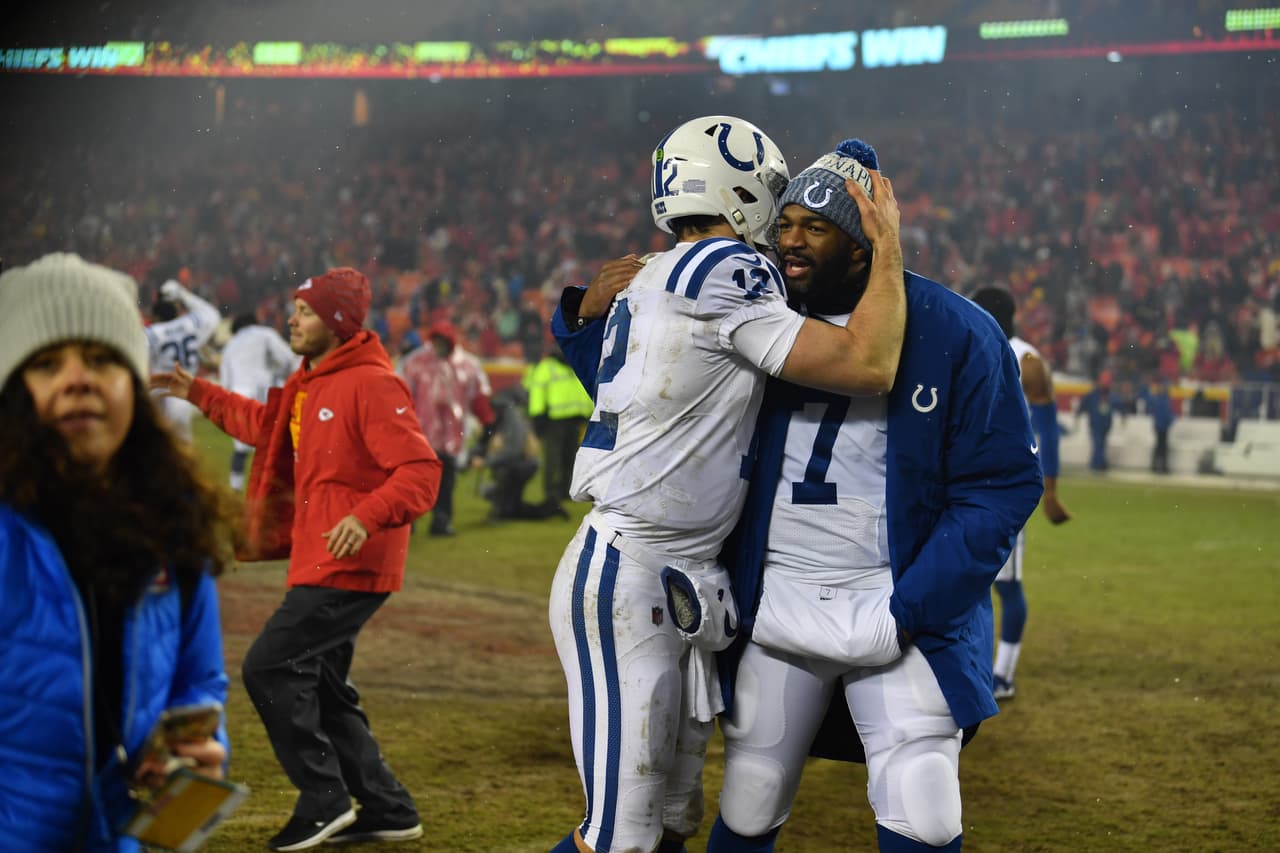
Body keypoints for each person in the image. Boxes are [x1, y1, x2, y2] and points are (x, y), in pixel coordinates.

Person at [548, 116, 907, 853]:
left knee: (675, 815)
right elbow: (868, 365)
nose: (781, 222)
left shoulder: (654, 273)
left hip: (680, 572)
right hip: (635, 564)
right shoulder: (727, 271)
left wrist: (577, 315)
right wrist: (889, 241)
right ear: (741, 187)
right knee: (622, 835)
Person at [684, 141, 1043, 852]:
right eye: (784, 224)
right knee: (750, 797)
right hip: (778, 599)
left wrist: (914, 603)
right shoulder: (758, 312)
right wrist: (587, 313)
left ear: (865, 241)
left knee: (925, 802)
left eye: (815, 228)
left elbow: (1000, 485)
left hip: (896, 604)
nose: (789, 241)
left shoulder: (959, 330)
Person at [151, 267, 442, 850]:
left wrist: (364, 517)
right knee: (324, 685)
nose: (292, 319)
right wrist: (200, 392)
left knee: (269, 667)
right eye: (295, 309)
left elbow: (421, 471)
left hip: (350, 562)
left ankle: (324, 798)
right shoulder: (314, 379)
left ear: (336, 322)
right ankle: (387, 807)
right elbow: (267, 426)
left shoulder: (371, 383)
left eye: (305, 311)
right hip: (323, 558)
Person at [0, 253, 238, 850]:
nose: (77, 378)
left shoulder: (172, 525)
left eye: (103, 359)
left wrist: (201, 754)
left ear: (133, 385)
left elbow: (198, 681)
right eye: (47, 362)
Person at [971, 285, 1072, 702]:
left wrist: (1049, 489)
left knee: (1005, 586)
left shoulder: (1025, 361)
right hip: (963, 483)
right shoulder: (969, 347)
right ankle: (976, 667)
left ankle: (1003, 674)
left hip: (1002, 489)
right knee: (960, 579)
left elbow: (1046, 428)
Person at [400, 319, 496, 536]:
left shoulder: (466, 365)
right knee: (415, 481)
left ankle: (440, 522)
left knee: (445, 483)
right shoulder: (416, 362)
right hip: (420, 435)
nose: (438, 345)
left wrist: (486, 419)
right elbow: (401, 395)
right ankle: (409, 522)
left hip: (449, 437)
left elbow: (478, 397)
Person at [219, 311, 298, 490]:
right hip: (263, 393)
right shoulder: (265, 333)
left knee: (241, 448)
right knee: (271, 445)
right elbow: (286, 358)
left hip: (238, 396)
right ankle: (273, 490)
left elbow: (224, 381)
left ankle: (235, 489)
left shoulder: (230, 345)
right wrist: (283, 376)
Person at [474, 384, 569, 521]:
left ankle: (499, 510)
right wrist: (474, 457)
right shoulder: (504, 414)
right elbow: (484, 440)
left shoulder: (510, 418)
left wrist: (486, 461)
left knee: (503, 480)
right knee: (514, 510)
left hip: (522, 465)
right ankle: (550, 507)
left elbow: (512, 451)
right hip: (521, 464)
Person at [146, 277, 222, 442]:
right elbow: (212, 314)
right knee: (181, 445)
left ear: (156, 316)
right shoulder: (190, 325)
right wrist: (182, 294)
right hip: (184, 387)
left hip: (158, 389)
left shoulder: (152, 332)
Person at [522, 347, 594, 514]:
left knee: (570, 458)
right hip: (553, 420)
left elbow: (581, 392)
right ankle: (551, 494)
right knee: (553, 458)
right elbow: (538, 392)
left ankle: (564, 490)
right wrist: (538, 416)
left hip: (574, 420)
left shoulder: (572, 364)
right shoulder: (548, 367)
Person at [1077, 370, 1119, 471]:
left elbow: (1118, 405)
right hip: (1095, 424)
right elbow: (1084, 405)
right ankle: (1098, 464)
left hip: (1105, 425)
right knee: (1098, 444)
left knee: (1101, 445)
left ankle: (1097, 463)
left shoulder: (1110, 396)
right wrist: (1078, 412)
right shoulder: (1093, 395)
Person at [1139, 377, 1175, 474]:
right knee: (1161, 447)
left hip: (1159, 426)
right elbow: (1166, 414)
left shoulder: (1159, 399)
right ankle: (1161, 466)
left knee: (1159, 447)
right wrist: (1172, 419)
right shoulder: (1163, 400)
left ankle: (1156, 466)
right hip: (1162, 426)